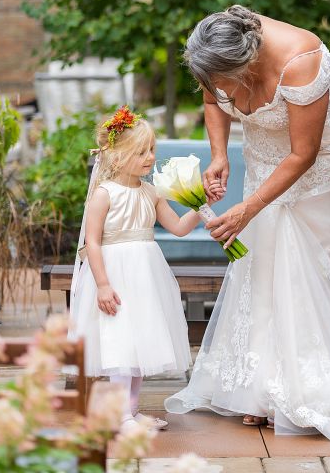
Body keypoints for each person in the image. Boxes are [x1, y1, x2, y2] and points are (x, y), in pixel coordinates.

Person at [164, 5, 330, 441]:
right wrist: (218, 155)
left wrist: (249, 207)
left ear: (248, 65)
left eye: (224, 78)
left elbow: (303, 154)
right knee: (263, 262)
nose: (213, 86)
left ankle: (309, 387)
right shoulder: (216, 44)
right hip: (266, 153)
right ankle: (259, 389)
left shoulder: (300, 60)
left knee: (308, 261)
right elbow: (214, 97)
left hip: (319, 157)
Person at [69, 106, 222, 432]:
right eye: (141, 152)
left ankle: (131, 411)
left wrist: (200, 203)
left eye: (151, 149)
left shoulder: (151, 193)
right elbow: (92, 242)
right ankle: (119, 416)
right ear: (117, 156)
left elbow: (179, 227)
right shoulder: (104, 194)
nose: (150, 157)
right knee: (120, 344)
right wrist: (103, 284)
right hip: (114, 275)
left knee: (139, 343)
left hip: (144, 275)